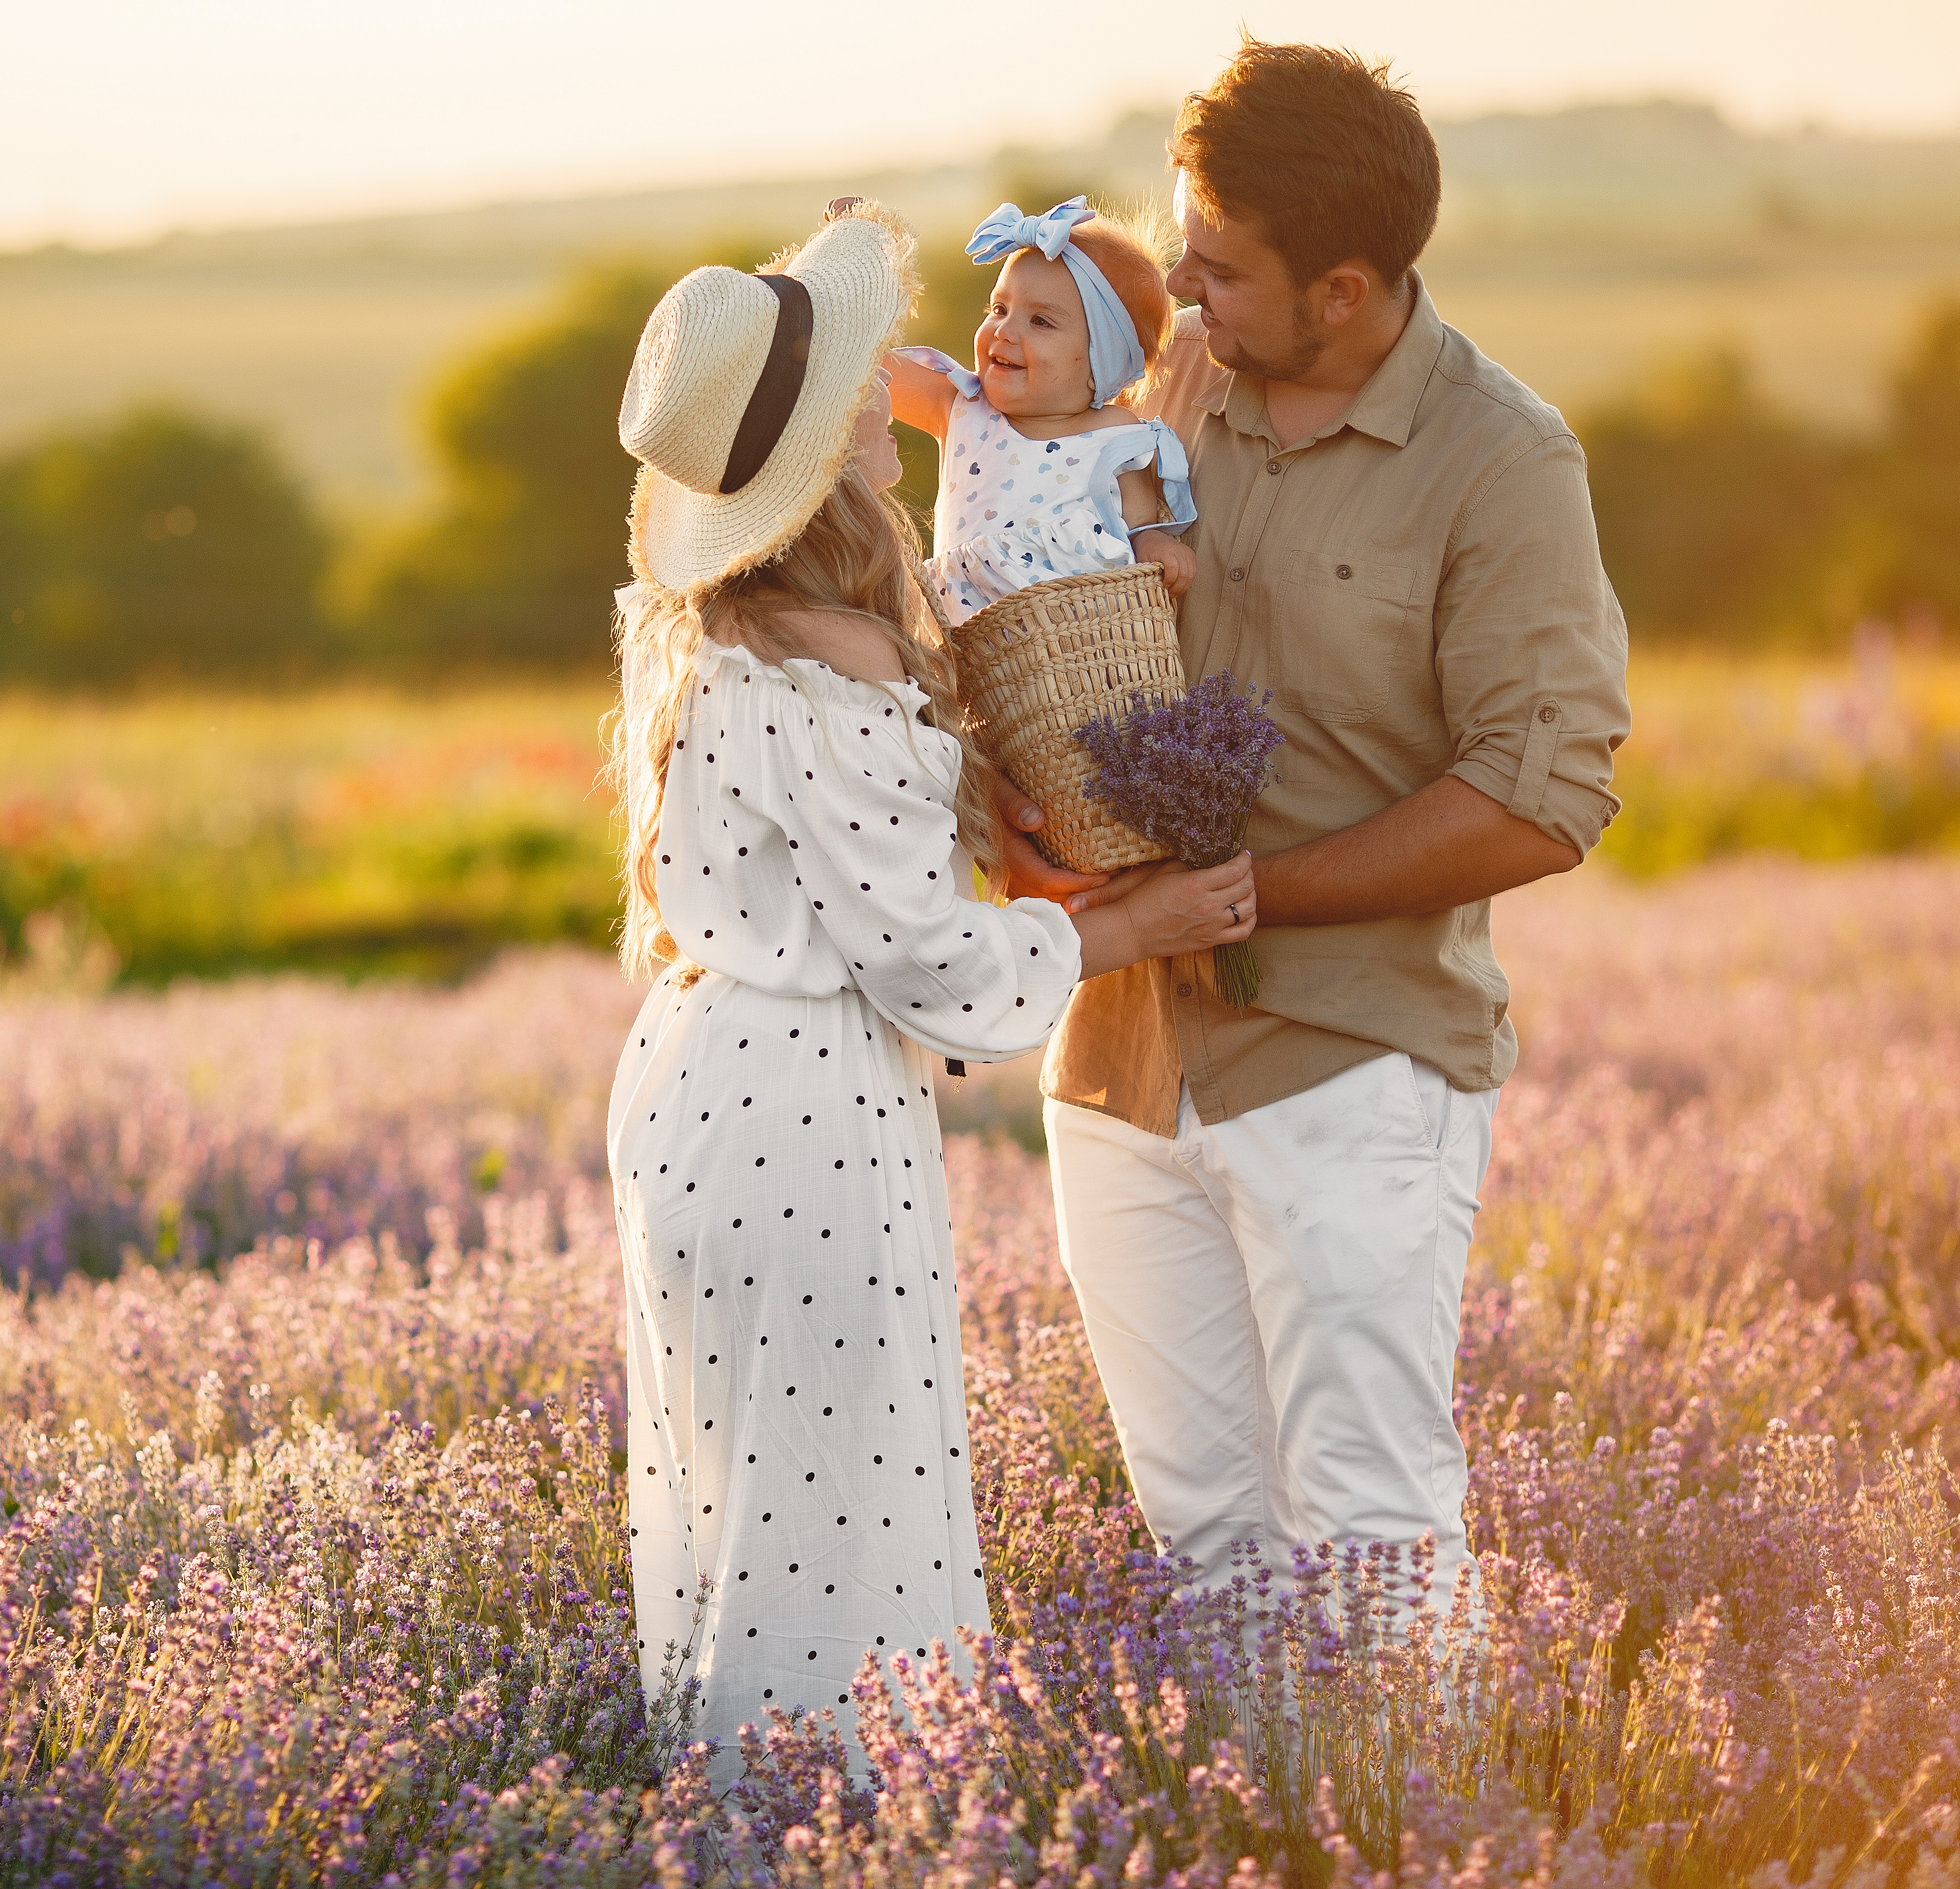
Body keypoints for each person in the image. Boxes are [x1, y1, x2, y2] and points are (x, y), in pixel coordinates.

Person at [602, 201, 1256, 1767]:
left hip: (688, 1088)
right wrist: (1123, 924)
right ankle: (848, 1825)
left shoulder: (702, 630)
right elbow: (929, 960)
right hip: (806, 1113)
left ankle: (728, 1817)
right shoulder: (843, 653)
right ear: (829, 454)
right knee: (843, 1509)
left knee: (731, 1500)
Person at [1003, 43, 1635, 1615]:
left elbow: (1543, 793)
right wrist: (1016, 808)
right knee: (1205, 1542)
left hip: (1352, 1060)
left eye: (1215, 273)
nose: (1181, 301)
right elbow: (1050, 609)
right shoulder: (1175, 387)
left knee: (1369, 1529)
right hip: (1120, 1055)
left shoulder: (1504, 459)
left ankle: (1435, 1853)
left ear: (1344, 287)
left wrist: (1242, 898)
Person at [878, 195, 1199, 619]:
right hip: (967, 649)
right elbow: (868, 366)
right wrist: (863, 248)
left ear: (1099, 363)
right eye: (999, 308)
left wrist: (1155, 544)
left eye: (1041, 321)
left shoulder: (1118, 435)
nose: (1005, 330)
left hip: (1072, 656)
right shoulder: (962, 408)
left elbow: (1140, 524)